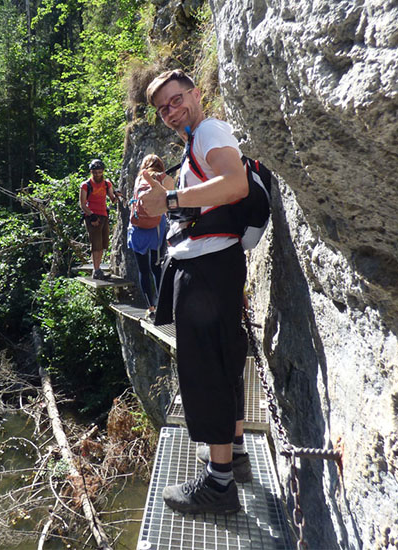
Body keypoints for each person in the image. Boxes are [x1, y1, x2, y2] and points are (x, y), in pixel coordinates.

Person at [139, 69, 251, 514]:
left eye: (175, 100)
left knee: (205, 370)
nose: (170, 111)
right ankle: (235, 454)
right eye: (162, 108)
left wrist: (167, 202)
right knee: (222, 359)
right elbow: (209, 200)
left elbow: (236, 183)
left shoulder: (208, 130)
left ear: (196, 94)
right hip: (214, 267)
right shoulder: (196, 143)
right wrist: (170, 191)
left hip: (205, 270)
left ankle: (218, 486)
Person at [128, 154, 173, 319]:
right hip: (157, 229)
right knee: (157, 267)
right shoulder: (163, 179)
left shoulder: (139, 179)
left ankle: (151, 307)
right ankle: (163, 306)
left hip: (138, 229)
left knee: (143, 270)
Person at [79, 159, 121, 279]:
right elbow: (82, 204)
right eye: (95, 172)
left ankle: (98, 270)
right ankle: (96, 270)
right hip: (92, 217)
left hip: (103, 215)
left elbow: (112, 199)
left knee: (103, 244)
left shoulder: (107, 184)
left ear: (102, 171)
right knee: (96, 244)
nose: (97, 174)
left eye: (99, 172)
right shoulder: (85, 185)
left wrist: (117, 196)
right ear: (91, 172)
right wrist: (92, 216)